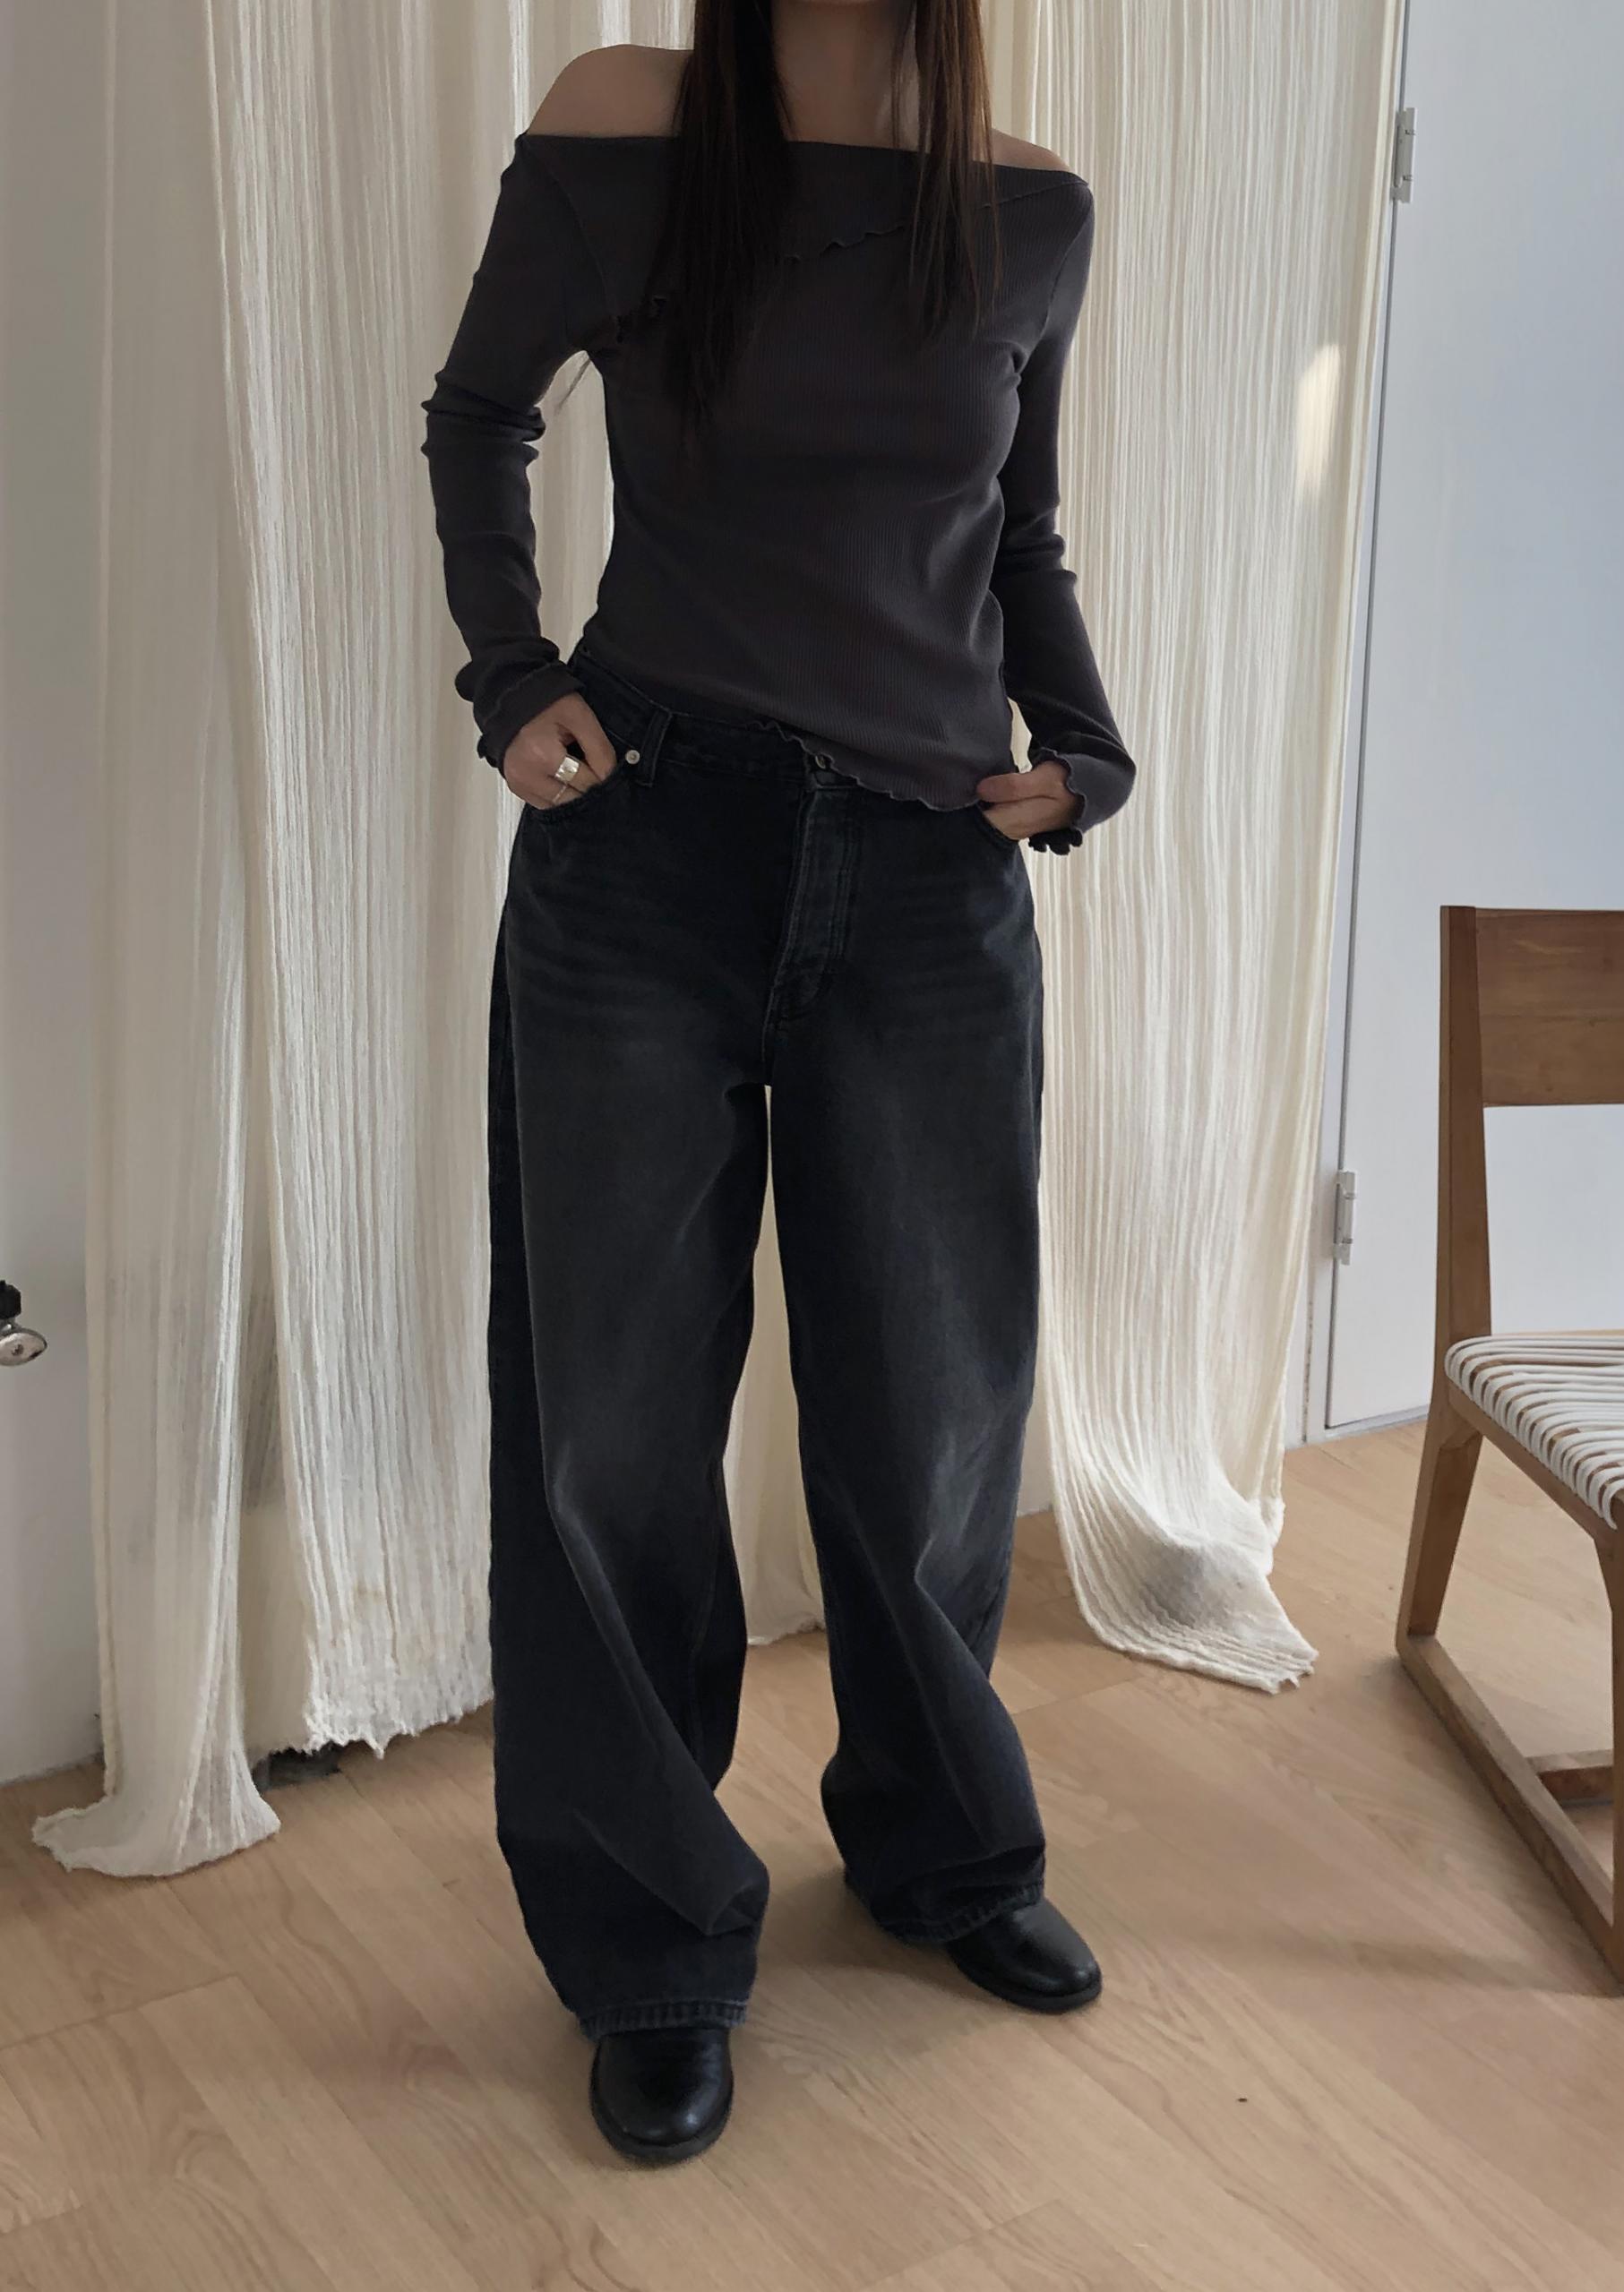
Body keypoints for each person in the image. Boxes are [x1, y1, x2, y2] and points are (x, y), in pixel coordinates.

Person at [420, 1, 1135, 2166]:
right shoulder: (628, 119)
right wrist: (510, 674)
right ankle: (651, 1939)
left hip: (928, 878)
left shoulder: (1027, 205)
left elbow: (1017, 530)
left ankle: (942, 1848)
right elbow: (480, 412)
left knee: (930, 1412)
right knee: (616, 1428)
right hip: (649, 852)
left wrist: (1087, 743)